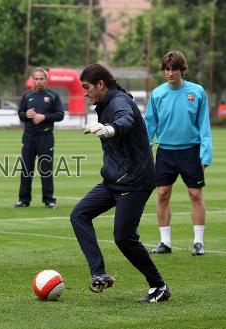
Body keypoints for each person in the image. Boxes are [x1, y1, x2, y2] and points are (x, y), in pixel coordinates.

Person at [70, 64, 170, 303]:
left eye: (87, 87)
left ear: (101, 85)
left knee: (124, 237)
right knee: (79, 214)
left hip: (135, 181)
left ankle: (159, 286)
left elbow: (125, 121)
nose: (85, 93)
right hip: (115, 179)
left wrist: (109, 129)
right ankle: (99, 273)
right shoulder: (105, 102)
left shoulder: (118, 102)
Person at [144, 51, 212, 256]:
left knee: (195, 194)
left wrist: (205, 155)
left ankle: (198, 242)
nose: (170, 73)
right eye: (167, 69)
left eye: (174, 69)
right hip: (165, 152)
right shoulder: (157, 94)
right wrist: (145, 151)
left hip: (191, 152)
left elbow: (204, 126)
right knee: (163, 194)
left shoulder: (197, 92)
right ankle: (165, 242)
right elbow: (150, 124)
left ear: (182, 70)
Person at [14, 67, 64, 209]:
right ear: (33, 80)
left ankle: (49, 199)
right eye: (36, 79)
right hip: (29, 137)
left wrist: (44, 117)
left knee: (46, 169)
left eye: (41, 79)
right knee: (26, 169)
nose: (39, 81)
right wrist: (26, 115)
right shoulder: (27, 96)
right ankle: (24, 199)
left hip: (46, 137)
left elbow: (60, 115)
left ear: (46, 80)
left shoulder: (53, 95)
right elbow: (20, 113)